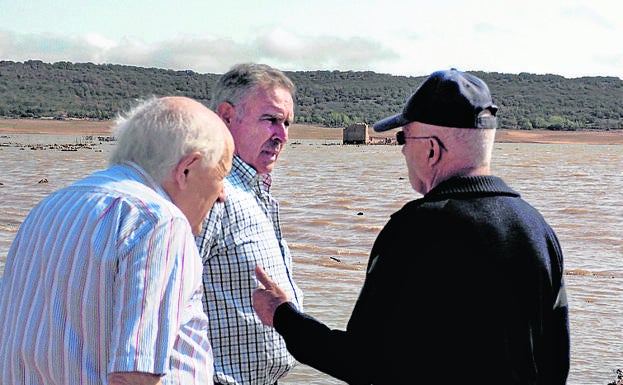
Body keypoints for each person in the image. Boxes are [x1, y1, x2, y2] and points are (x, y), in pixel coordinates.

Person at [253, 69, 570, 384]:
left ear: (432, 149)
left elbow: (361, 361)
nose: (402, 148)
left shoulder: (415, 229)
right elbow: (556, 363)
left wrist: (283, 315)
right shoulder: (539, 230)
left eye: (404, 137)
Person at [0, 96, 234, 385]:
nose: (222, 193)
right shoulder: (159, 222)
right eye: (221, 174)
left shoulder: (48, 207)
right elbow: (135, 375)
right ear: (187, 168)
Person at [195, 63, 303, 385]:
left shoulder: (256, 193)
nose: (282, 135)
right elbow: (160, 299)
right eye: (271, 119)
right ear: (227, 117)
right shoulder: (212, 193)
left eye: (287, 123)